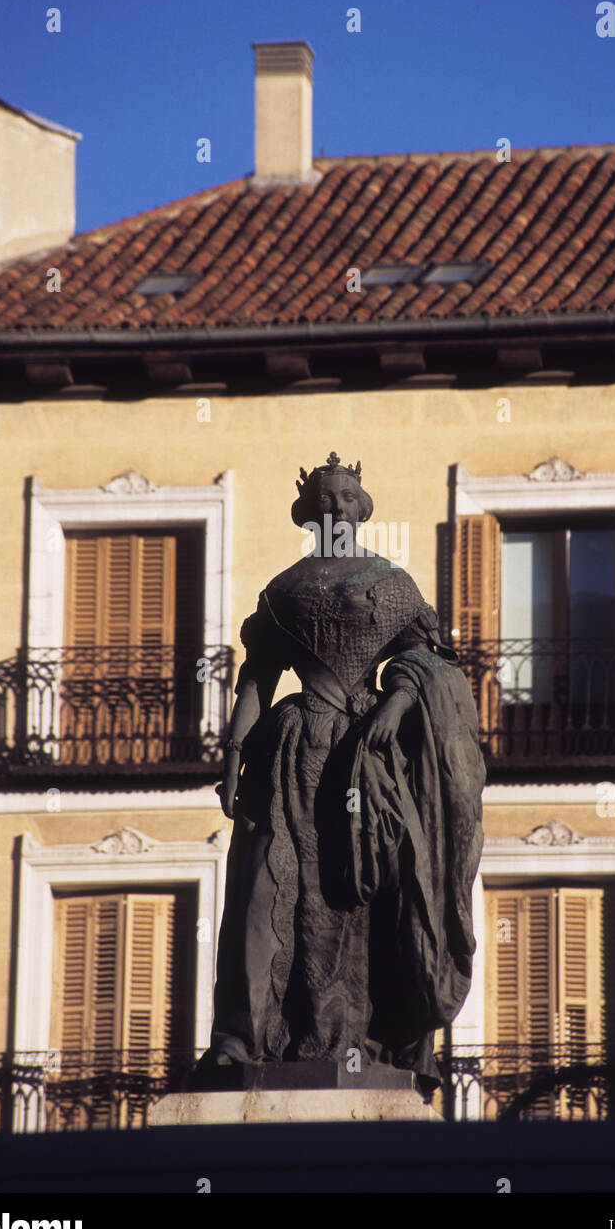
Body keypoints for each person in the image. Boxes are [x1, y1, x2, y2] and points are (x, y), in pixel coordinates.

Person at [191, 453, 485, 1091]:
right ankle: (242, 1041)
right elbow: (256, 680)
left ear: (363, 507)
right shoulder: (283, 590)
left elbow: (430, 663)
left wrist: (399, 704)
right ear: (307, 512)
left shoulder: (393, 582)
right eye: (324, 498)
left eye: (347, 496)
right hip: (291, 747)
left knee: (372, 895)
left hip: (368, 759)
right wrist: (234, 758)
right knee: (267, 888)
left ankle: (372, 1042)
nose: (335, 506)